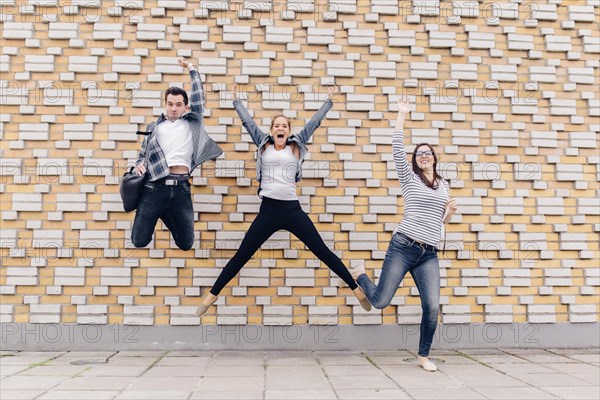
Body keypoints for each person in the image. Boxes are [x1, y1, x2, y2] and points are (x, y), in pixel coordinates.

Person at [196, 85, 371, 316]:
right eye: (277, 125)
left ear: (289, 131)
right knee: (242, 255)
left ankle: (355, 288)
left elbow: (313, 124)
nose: (281, 128)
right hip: (268, 210)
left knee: (322, 251)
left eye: (284, 126)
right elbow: (248, 123)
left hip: (292, 210)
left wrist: (328, 102)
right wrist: (237, 101)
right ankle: (211, 296)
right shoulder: (264, 143)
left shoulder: (296, 146)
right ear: (271, 130)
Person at [351, 97, 457, 372]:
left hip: (428, 254)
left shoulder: (444, 186)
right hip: (403, 245)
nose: (424, 155)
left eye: (428, 152)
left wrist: (449, 216)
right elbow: (397, 148)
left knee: (432, 307)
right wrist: (402, 114)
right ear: (415, 160)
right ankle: (359, 275)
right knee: (380, 301)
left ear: (434, 157)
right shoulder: (409, 178)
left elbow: (438, 221)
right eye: (419, 153)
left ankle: (423, 356)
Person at [131, 58, 223, 250]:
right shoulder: (154, 127)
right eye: (170, 104)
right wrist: (139, 164)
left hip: (181, 188)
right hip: (153, 187)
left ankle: (165, 211)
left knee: (186, 243)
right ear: (165, 104)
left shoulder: (192, 122)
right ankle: (162, 209)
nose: (174, 108)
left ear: (186, 107)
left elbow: (198, 95)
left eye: (178, 104)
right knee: (138, 241)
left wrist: (191, 69)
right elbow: (142, 156)